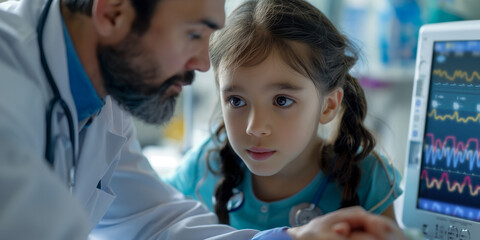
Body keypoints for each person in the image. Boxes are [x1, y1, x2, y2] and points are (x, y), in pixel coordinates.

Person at [0, 0, 408, 239]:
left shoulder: (104, 103)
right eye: (195, 34)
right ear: (112, 12)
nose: (201, 65)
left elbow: (156, 223)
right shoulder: (8, 84)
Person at [163, 0, 403, 231]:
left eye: (282, 101)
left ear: (328, 106)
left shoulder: (368, 179)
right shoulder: (205, 167)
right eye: (236, 101)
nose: (254, 127)